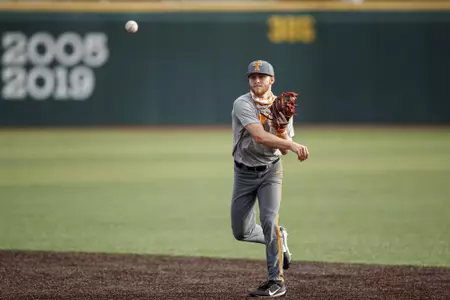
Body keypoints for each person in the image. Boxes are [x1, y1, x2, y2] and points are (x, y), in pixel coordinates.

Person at [231, 60, 309, 297]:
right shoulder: (242, 103)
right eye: (252, 77)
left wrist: (283, 127)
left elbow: (282, 150)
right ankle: (279, 236)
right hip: (243, 172)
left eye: (261, 76)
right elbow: (260, 136)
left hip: (270, 172)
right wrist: (292, 143)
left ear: (271, 80)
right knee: (241, 232)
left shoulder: (282, 106)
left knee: (268, 221)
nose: (256, 80)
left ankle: (276, 281)